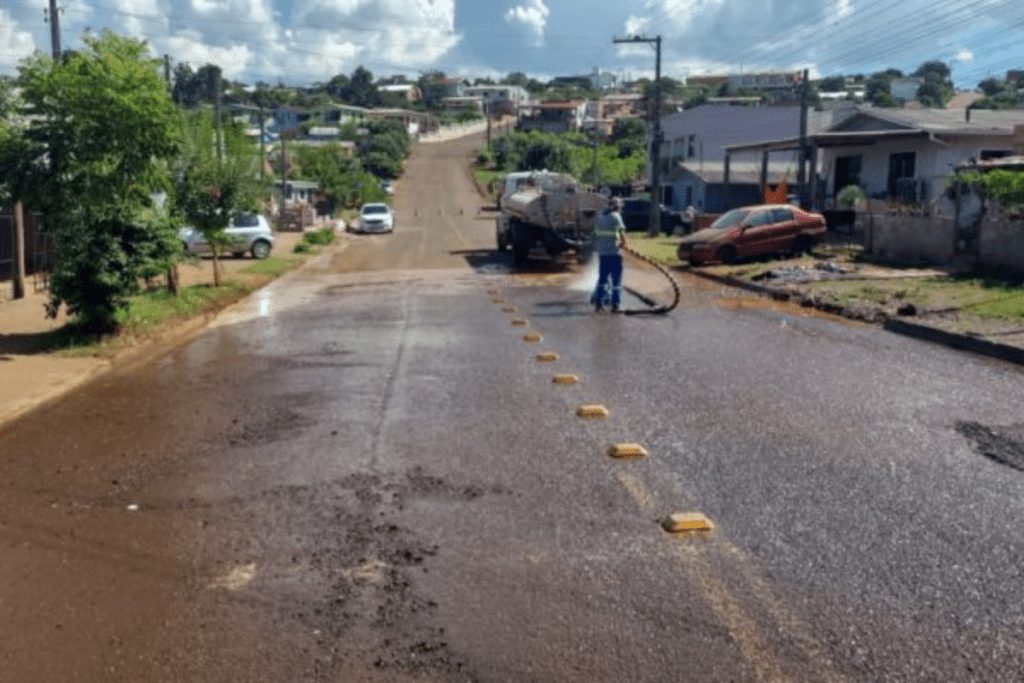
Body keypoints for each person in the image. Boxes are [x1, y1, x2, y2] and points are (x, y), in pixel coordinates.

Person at [591, 196, 627, 313]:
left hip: (603, 254)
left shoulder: (600, 218)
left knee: (603, 279)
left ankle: (598, 303)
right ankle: (615, 305)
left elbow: (595, 236)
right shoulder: (616, 217)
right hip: (614, 254)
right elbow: (622, 234)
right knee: (616, 280)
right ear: (617, 206)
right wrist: (623, 244)